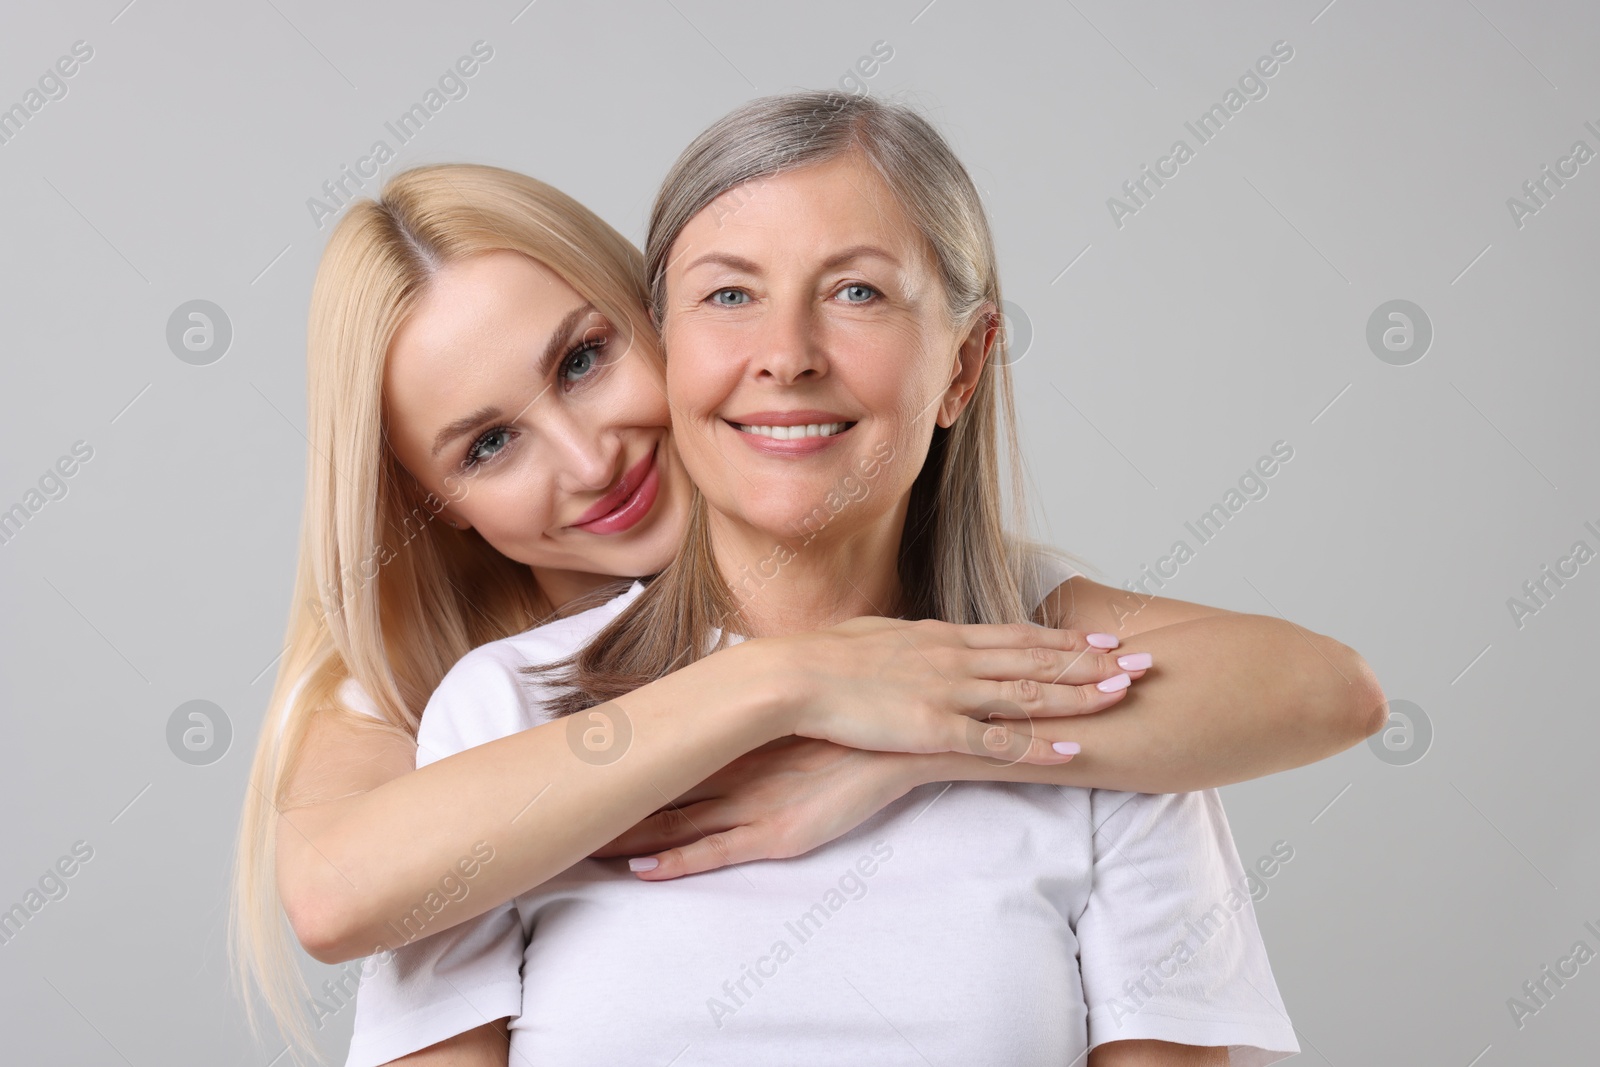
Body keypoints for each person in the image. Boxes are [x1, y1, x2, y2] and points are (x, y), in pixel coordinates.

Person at [340, 92, 1376, 1065]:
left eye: (856, 292)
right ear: (674, 340)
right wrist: (792, 685)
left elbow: (1334, 688)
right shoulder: (503, 711)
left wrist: (915, 750)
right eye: (729, 293)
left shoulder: (1099, 708)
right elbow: (337, 898)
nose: (784, 354)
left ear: (963, 366)